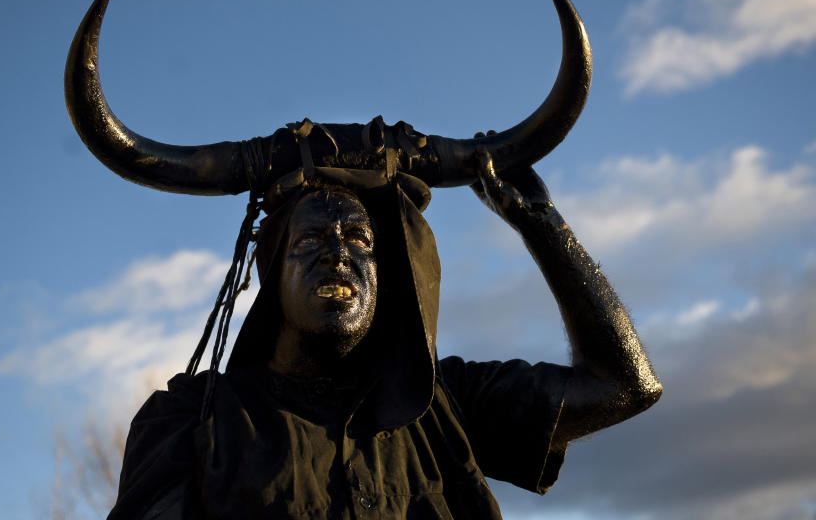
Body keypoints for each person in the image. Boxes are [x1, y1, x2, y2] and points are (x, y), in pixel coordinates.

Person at [105, 150, 662, 519]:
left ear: (388, 283)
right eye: (309, 240)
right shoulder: (190, 418)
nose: (338, 254)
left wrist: (542, 223)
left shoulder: (449, 405)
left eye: (360, 241)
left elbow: (624, 385)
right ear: (270, 275)